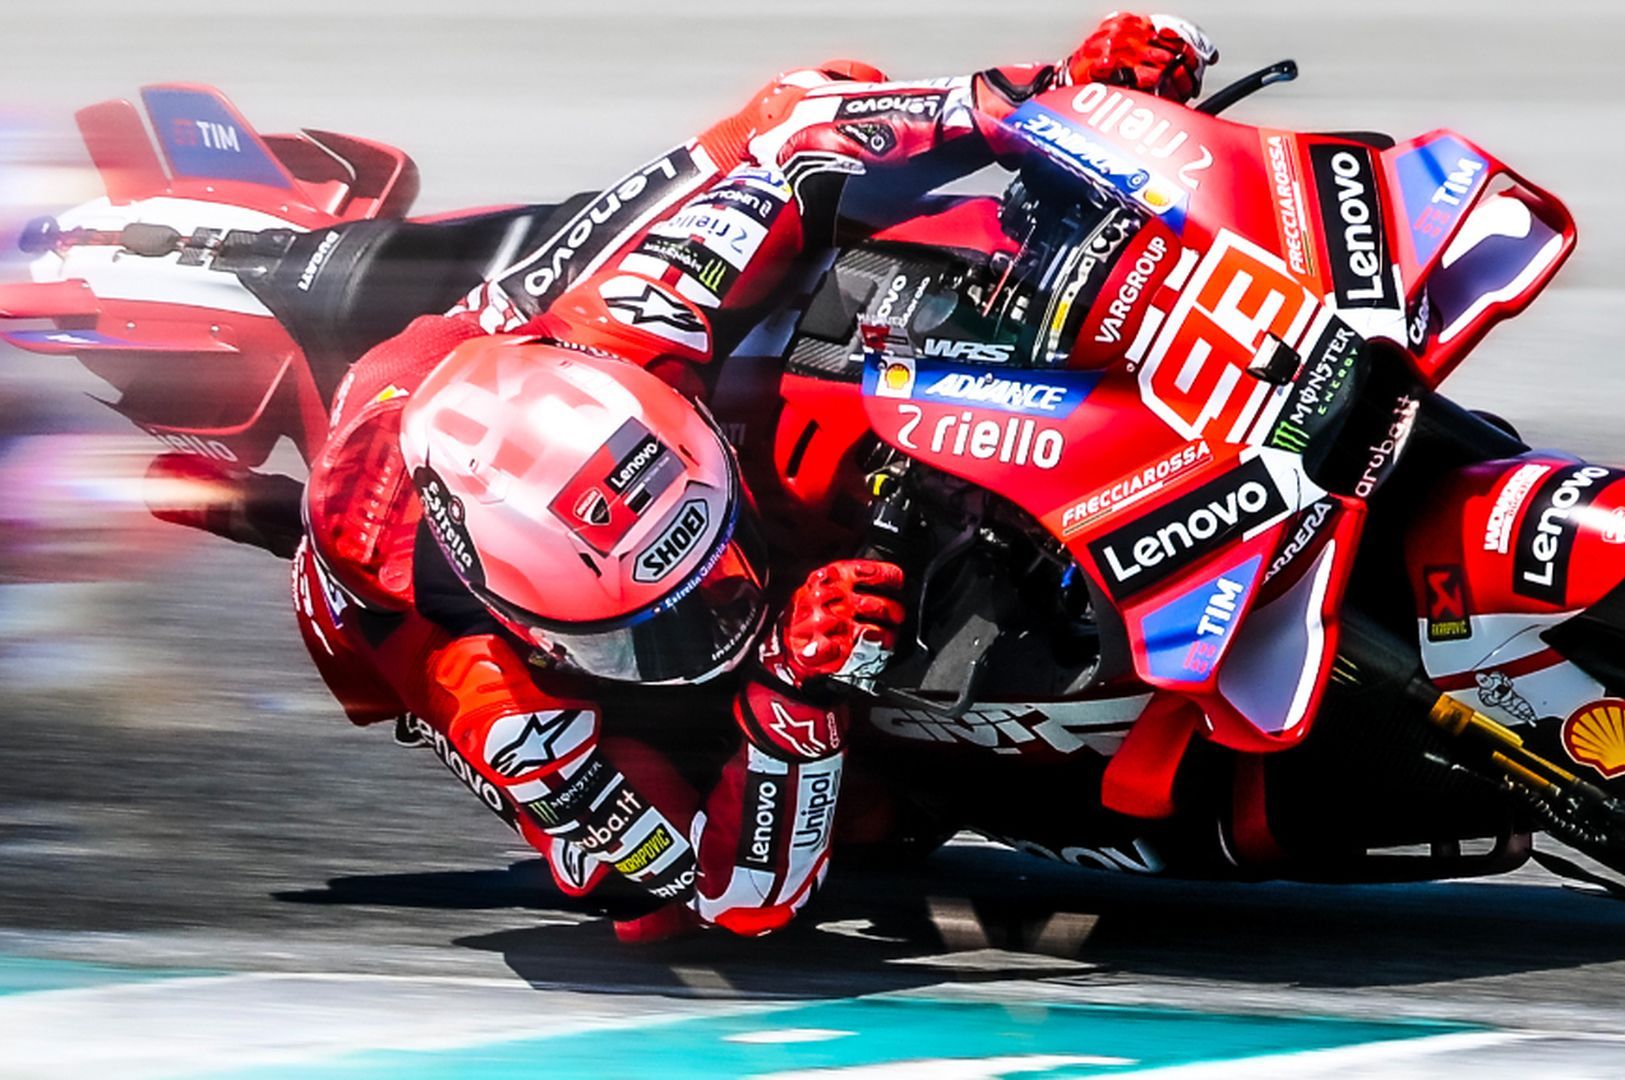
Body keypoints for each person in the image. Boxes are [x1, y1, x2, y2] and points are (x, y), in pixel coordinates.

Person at [291, 12, 1218, 941]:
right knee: (824, 841)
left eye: (721, 564)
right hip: (409, 605)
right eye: (660, 626)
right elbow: (725, 897)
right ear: (537, 629)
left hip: (510, 339)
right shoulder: (499, 703)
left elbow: (793, 126)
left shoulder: (644, 315)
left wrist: (1051, 94)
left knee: (848, 161)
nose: (728, 611)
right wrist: (792, 700)